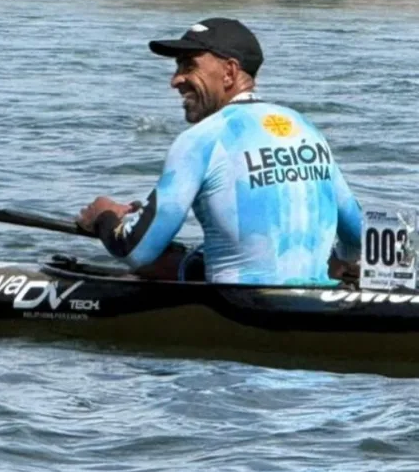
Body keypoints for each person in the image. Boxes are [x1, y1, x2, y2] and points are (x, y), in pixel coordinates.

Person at [76, 17, 362, 285]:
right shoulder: (303, 127)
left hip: (242, 309)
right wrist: (341, 263)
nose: (175, 80)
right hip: (313, 295)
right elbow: (359, 236)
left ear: (229, 72)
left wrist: (104, 216)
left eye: (188, 66)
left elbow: (135, 249)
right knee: (184, 259)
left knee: (154, 261)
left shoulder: (200, 139)